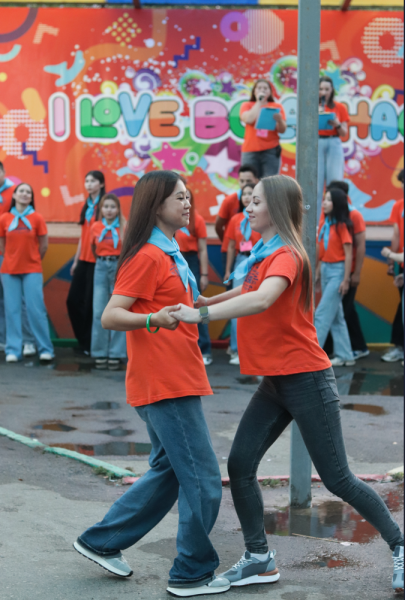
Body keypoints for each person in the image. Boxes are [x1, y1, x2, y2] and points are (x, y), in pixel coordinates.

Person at [170, 174, 404, 593]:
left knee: (338, 478)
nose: (249, 207)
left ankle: (400, 546)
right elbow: (247, 289)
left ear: (276, 209)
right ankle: (259, 557)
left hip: (307, 379)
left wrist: (199, 315)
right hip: (276, 382)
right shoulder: (263, 255)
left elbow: (262, 299)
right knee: (240, 465)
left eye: (257, 202)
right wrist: (208, 300)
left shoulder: (287, 255)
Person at [73, 171, 230, 598]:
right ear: (156, 205)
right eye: (179, 197)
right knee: (203, 479)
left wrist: (218, 301)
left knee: (169, 470)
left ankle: (102, 541)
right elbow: (110, 315)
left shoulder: (170, 252)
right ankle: (192, 572)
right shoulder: (148, 256)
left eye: (188, 196)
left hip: (176, 376)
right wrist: (151, 319)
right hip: (166, 382)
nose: (188, 203)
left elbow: (184, 305)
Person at [0, 183, 54, 362]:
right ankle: (13, 350)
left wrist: (32, 259)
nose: (24, 194)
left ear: (31, 198)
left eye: (28, 192)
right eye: (21, 191)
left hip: (32, 270)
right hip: (9, 270)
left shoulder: (37, 218)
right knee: (12, 310)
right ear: (14, 195)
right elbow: (2, 245)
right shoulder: (4, 218)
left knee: (36, 310)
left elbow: (44, 246)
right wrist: (11, 257)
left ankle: (45, 349)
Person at [323, 180, 368, 360]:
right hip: (330, 268)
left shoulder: (353, 215)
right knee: (340, 312)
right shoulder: (329, 217)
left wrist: (355, 273)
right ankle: (347, 351)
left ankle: (355, 348)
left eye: (331, 196)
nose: (327, 200)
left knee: (341, 310)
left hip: (346, 270)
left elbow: (360, 245)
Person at [315, 188, 355, 367]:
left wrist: (346, 279)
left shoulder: (342, 226)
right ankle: (346, 355)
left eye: (328, 200)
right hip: (325, 269)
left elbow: (349, 254)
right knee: (337, 316)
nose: (324, 203)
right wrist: (318, 271)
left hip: (337, 272)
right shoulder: (326, 224)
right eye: (324, 199)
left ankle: (311, 356)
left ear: (337, 204)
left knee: (322, 314)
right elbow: (323, 251)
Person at [67, 171, 105, 355]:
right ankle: (83, 341)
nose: (89, 184)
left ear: (101, 184)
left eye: (93, 181)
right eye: (87, 181)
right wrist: (76, 261)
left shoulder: (105, 205)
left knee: (91, 304)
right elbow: (83, 237)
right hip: (83, 260)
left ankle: (90, 345)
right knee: (72, 301)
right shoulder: (87, 205)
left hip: (97, 261)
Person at [0, 162, 36, 357]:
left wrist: (6, 253)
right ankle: (5, 340)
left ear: (4, 172)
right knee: (3, 301)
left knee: (18, 301)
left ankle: (28, 341)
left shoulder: (14, 192)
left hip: (7, 255)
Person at [175, 189, 212, 366]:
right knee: (179, 303)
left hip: (191, 262)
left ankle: (205, 348)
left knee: (198, 304)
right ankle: (183, 349)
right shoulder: (172, 219)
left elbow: (203, 249)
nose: (185, 201)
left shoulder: (197, 219)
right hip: (175, 259)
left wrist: (204, 274)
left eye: (187, 197)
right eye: (180, 197)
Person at [224, 183, 260, 366]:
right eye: (244, 194)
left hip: (258, 260)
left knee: (255, 305)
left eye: (250, 194)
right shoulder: (235, 219)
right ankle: (236, 349)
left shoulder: (260, 217)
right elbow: (231, 246)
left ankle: (254, 349)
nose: (246, 197)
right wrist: (228, 270)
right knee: (236, 305)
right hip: (241, 261)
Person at [90, 193, 127, 369]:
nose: (109, 210)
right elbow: (93, 248)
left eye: (113, 207)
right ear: (101, 209)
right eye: (106, 207)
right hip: (101, 267)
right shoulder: (95, 226)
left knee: (118, 310)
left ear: (118, 209)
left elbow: (129, 248)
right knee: (99, 311)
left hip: (119, 267)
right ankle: (99, 352)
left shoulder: (125, 226)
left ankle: (116, 353)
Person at [215, 165, 259, 279]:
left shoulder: (261, 203)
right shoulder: (229, 201)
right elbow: (218, 226)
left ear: (256, 181)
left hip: (255, 253)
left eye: (248, 181)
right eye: (242, 181)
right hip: (233, 251)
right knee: (232, 283)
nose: (244, 184)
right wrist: (228, 240)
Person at [317, 76, 350, 221]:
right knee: (316, 186)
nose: (324, 92)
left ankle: (336, 220)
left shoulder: (339, 107)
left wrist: (337, 123)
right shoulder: (311, 106)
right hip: (317, 142)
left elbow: (344, 133)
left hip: (333, 142)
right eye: (321, 89)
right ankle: (315, 223)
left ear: (332, 90)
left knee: (335, 184)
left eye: (327, 89)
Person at [239, 79, 287, 178]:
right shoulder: (247, 105)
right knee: (250, 180)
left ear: (270, 92)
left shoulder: (276, 106)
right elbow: (248, 119)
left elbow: (282, 130)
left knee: (269, 182)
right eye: (259, 88)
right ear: (254, 91)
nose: (262, 90)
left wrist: (279, 120)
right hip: (250, 150)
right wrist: (259, 102)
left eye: (265, 88)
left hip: (271, 150)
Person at [381, 169, 404, 363]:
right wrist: (391, 263)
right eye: (403, 182)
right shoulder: (399, 206)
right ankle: (399, 347)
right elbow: (396, 235)